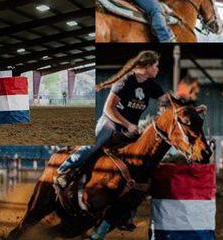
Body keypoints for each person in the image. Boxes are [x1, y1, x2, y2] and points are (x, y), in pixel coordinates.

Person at [55, 50, 166, 188]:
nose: (157, 69)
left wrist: (189, 108)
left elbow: (168, 101)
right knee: (92, 145)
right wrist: (128, 124)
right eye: (155, 66)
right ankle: (63, 170)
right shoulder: (125, 81)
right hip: (111, 122)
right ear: (147, 66)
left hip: (130, 129)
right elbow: (108, 109)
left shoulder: (152, 86)